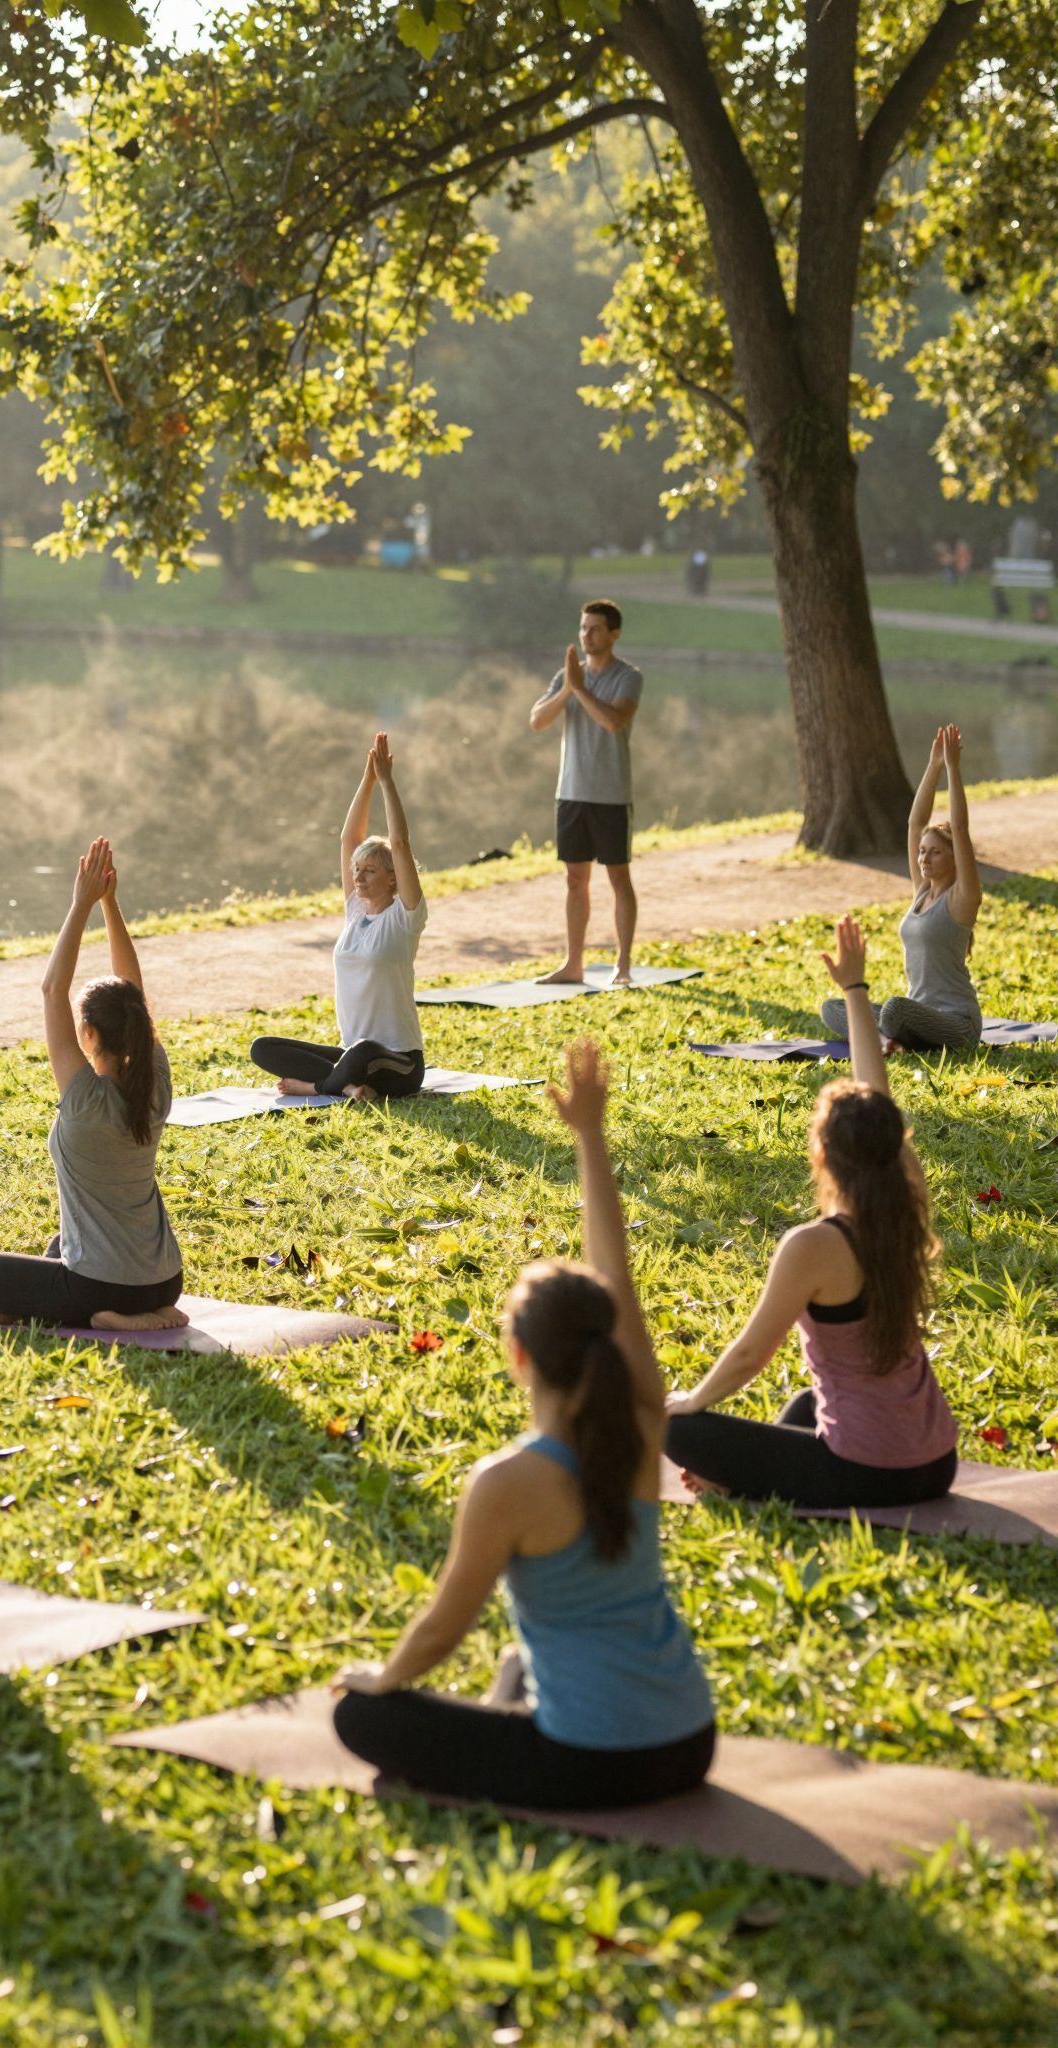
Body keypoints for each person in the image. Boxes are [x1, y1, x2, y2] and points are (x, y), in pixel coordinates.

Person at [333, 1040, 715, 1810]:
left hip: (591, 1764)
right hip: (689, 1741)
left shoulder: (507, 1482)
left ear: (518, 1357)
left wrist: (382, 1681)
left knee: (360, 1717)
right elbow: (621, 1285)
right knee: (516, 1662)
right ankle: (516, 1704)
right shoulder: (642, 1429)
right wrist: (591, 1138)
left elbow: (442, 1630)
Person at [665, 916, 959, 1508]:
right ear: (887, 1143)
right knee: (805, 1407)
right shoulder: (906, 1199)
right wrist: (855, 990)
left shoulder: (813, 1246)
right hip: (936, 1461)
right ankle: (738, 1475)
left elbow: (751, 1353)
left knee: (675, 1426)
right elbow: (878, 1099)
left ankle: (732, 1479)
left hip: (872, 1474)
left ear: (822, 1155)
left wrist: (689, 1405)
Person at [0, 837, 186, 1331]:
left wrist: (82, 902)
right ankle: (141, 1310)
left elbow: (51, 989)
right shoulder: (155, 1084)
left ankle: (102, 1316)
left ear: (88, 1035)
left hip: (102, 1286)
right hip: (166, 1279)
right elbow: (133, 992)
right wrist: (110, 902)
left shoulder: (84, 1100)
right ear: (139, 1029)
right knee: (57, 1246)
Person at [250, 732, 428, 1103]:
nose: (358, 878)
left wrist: (387, 783)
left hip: (399, 1062)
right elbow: (349, 839)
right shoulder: (355, 910)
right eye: (357, 870)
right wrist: (366, 780)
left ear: (392, 877)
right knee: (262, 1048)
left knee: (363, 1050)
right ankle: (347, 1087)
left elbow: (400, 843)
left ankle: (319, 1088)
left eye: (370, 871)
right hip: (351, 1055)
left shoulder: (405, 917)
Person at [820, 725, 981, 1051]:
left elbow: (960, 828)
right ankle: (891, 1041)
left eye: (935, 852)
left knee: (893, 1009)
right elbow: (914, 824)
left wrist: (952, 769)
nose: (924, 858)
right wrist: (934, 765)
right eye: (923, 851)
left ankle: (884, 1038)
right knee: (833, 1008)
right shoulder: (922, 892)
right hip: (914, 1015)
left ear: (954, 858)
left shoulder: (963, 899)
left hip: (956, 1023)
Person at [529, 601, 642, 988]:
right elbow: (537, 721)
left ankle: (623, 965)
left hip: (610, 794)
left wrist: (580, 690)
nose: (586, 635)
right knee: (575, 881)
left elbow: (613, 721)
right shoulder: (568, 675)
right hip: (571, 792)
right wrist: (568, 690)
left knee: (618, 878)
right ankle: (573, 964)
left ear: (614, 634)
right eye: (583, 628)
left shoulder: (628, 677)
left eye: (595, 629)